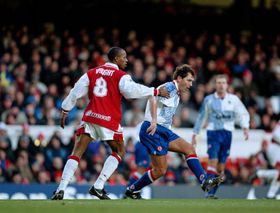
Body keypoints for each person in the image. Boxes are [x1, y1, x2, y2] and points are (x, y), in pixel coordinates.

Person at [51, 47, 169, 200]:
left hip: (90, 117)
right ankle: (98, 186)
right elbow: (132, 91)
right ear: (115, 59)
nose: (126, 60)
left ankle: (61, 189)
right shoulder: (121, 76)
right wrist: (155, 91)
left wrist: (65, 109)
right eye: (124, 57)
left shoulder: (92, 72)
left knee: (76, 153)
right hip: (108, 120)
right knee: (119, 151)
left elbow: (75, 91)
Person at [124, 64, 223, 199]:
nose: (190, 84)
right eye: (188, 80)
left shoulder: (176, 92)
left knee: (188, 149)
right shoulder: (169, 87)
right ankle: (132, 189)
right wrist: (153, 120)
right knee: (160, 170)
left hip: (164, 130)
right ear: (179, 78)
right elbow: (153, 97)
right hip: (153, 130)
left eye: (192, 81)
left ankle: (204, 180)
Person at [192, 74, 250, 199]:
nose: (221, 85)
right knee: (212, 160)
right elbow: (201, 116)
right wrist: (195, 133)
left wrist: (245, 127)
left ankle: (211, 193)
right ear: (215, 85)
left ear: (227, 85)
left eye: (223, 82)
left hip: (227, 134)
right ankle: (206, 186)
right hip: (213, 132)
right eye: (218, 82)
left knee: (221, 168)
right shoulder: (209, 99)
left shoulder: (233, 99)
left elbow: (243, 113)